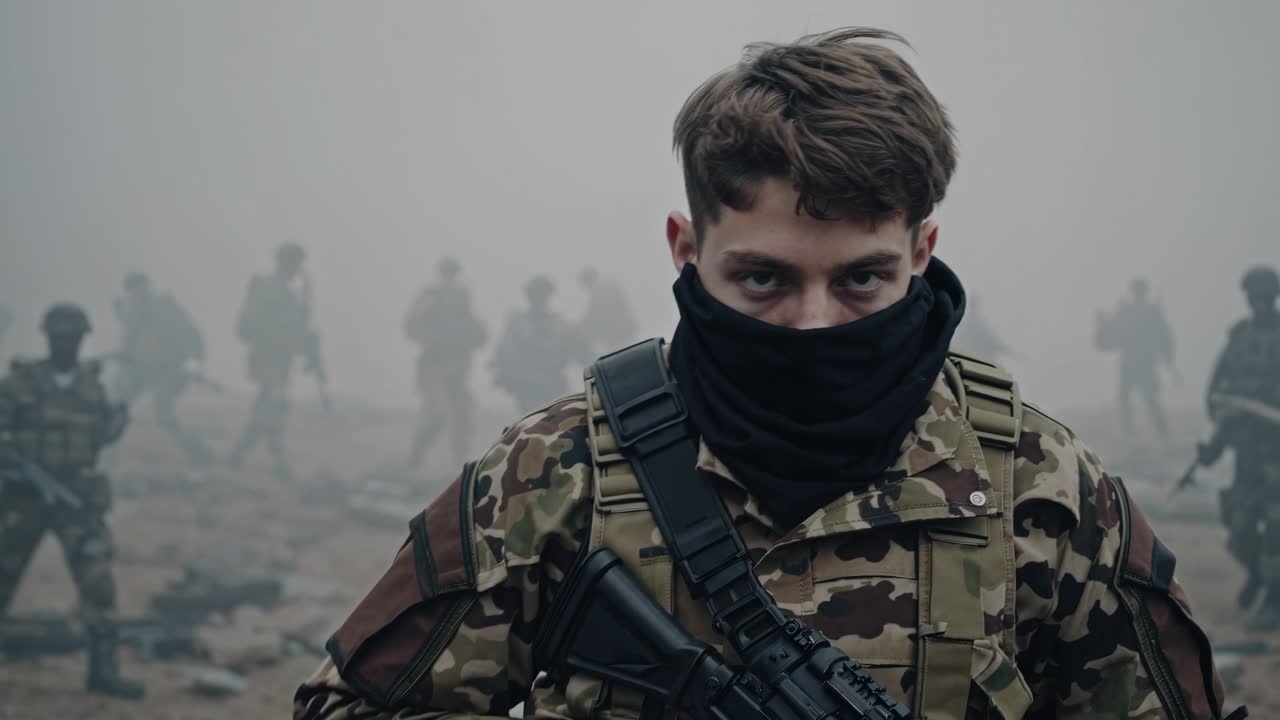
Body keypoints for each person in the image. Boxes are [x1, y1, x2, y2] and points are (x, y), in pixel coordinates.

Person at [295, 29, 1235, 719]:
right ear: (685, 249)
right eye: (763, 279)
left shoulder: (1042, 485)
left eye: (863, 278)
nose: (814, 323)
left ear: (923, 251)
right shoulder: (557, 472)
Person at [0, 305, 144, 699]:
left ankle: (103, 671)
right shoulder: (17, 384)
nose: (67, 343)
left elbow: (99, 437)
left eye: (74, 337)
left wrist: (120, 415)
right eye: (60, 336)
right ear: (48, 338)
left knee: (99, 584)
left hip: (75, 501)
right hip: (22, 501)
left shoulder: (90, 387)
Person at [1199, 265, 1280, 630]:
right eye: (1252, 294)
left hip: (1276, 453)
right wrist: (1215, 445)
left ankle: (1275, 598)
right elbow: (1220, 395)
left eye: (1264, 294)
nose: (1257, 301)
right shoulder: (1240, 338)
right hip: (1246, 451)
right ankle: (1260, 575)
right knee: (1239, 523)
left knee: (1277, 526)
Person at [228, 243, 325, 482]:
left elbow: (296, 331)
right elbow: (257, 325)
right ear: (284, 262)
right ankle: (272, 461)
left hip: (280, 360)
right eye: (294, 262)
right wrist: (288, 340)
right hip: (267, 357)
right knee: (274, 406)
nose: (296, 268)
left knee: (268, 406)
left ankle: (240, 456)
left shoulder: (291, 295)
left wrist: (308, 346)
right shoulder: (266, 288)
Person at [110, 271, 213, 465]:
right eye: (133, 290)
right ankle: (105, 453)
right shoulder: (129, 310)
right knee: (118, 408)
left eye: (141, 288)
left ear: (148, 287)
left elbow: (191, 334)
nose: (138, 293)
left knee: (165, 417)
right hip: (138, 370)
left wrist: (194, 363)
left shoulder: (165, 308)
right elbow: (129, 342)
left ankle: (198, 453)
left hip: (165, 371)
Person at [404, 257, 488, 470]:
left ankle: (460, 468)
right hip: (435, 366)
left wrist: (470, 336)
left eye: (453, 273)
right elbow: (411, 326)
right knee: (437, 414)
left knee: (462, 418)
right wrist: (432, 338)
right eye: (447, 273)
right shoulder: (430, 297)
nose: (450, 278)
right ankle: (416, 456)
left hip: (459, 368)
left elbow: (478, 333)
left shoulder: (463, 299)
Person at [1095, 277, 1177, 437]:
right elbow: (1111, 335)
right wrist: (1103, 323)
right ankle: (1134, 431)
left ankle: (1160, 431)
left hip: (1141, 362)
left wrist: (1169, 361)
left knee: (1147, 399)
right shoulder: (1142, 312)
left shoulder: (1142, 312)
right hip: (1135, 362)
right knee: (1130, 399)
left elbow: (1163, 338)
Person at [491, 275, 585, 411]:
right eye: (538, 295)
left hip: (547, 384)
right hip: (530, 385)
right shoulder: (520, 323)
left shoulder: (555, 324)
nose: (540, 299)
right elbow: (503, 353)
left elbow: (575, 350)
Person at [577, 266, 638, 355]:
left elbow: (594, 317)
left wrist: (579, 328)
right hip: (623, 332)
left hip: (618, 334)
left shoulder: (599, 294)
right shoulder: (610, 288)